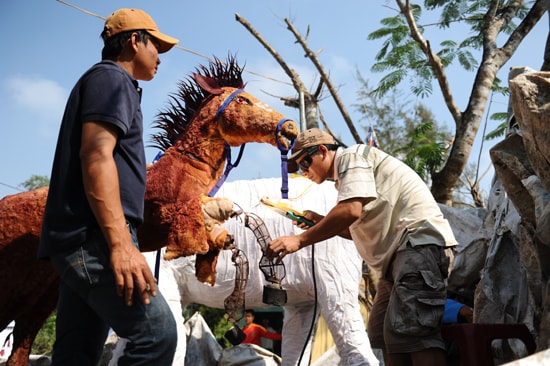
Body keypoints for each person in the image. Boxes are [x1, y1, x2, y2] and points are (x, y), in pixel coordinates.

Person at [38, 8, 179, 365]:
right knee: (157, 336)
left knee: (77, 354)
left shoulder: (109, 83)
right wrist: (120, 243)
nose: (160, 57)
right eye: (156, 46)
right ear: (134, 40)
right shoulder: (112, 79)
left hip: (82, 238)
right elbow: (96, 155)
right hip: (94, 237)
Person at [267, 128, 457, 366]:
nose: (304, 171)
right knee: (382, 335)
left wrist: (299, 240)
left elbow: (350, 211)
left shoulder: (352, 157)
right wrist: (320, 222)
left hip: (418, 247)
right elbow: (352, 226)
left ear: (324, 151)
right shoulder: (347, 183)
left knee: (416, 333)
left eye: (305, 162)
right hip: (398, 260)